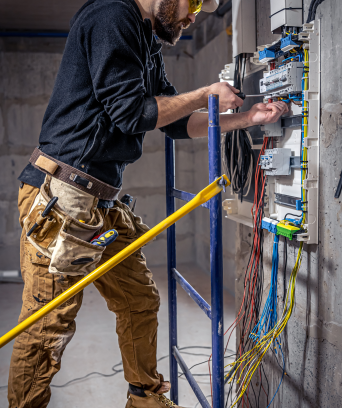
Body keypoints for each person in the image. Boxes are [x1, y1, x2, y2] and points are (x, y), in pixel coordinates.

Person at [8, 0, 288, 406]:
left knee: (139, 300)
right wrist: (205, 93)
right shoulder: (111, 15)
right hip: (60, 198)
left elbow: (176, 123)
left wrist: (246, 120)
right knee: (47, 326)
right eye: (193, 3)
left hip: (98, 204)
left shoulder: (146, 42)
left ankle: (145, 399)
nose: (194, 16)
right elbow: (130, 113)